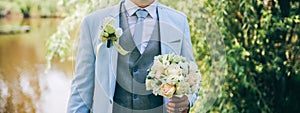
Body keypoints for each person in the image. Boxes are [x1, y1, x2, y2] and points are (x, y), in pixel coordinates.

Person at [67, 0, 197, 112]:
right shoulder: (93, 23)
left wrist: (187, 102)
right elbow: (81, 88)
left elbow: (192, 77)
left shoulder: (179, 22)